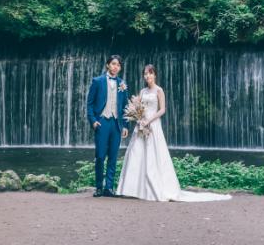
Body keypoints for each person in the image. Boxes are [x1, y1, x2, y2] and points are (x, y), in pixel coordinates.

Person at [116, 64, 231, 202]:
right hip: (141, 124)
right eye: (145, 74)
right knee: (136, 153)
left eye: (150, 73)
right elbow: (137, 106)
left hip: (153, 125)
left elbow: (162, 109)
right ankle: (133, 189)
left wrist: (149, 121)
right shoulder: (142, 91)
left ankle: (152, 189)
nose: (148, 76)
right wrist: (139, 118)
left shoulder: (159, 90)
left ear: (155, 75)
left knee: (154, 155)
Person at [86, 54, 129, 197]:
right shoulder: (97, 81)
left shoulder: (123, 84)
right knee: (100, 156)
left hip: (116, 124)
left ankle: (108, 188)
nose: (116, 67)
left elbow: (125, 107)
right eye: (113, 64)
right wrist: (93, 121)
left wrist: (125, 126)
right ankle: (98, 187)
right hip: (102, 122)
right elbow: (90, 103)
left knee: (113, 156)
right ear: (108, 65)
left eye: (118, 65)